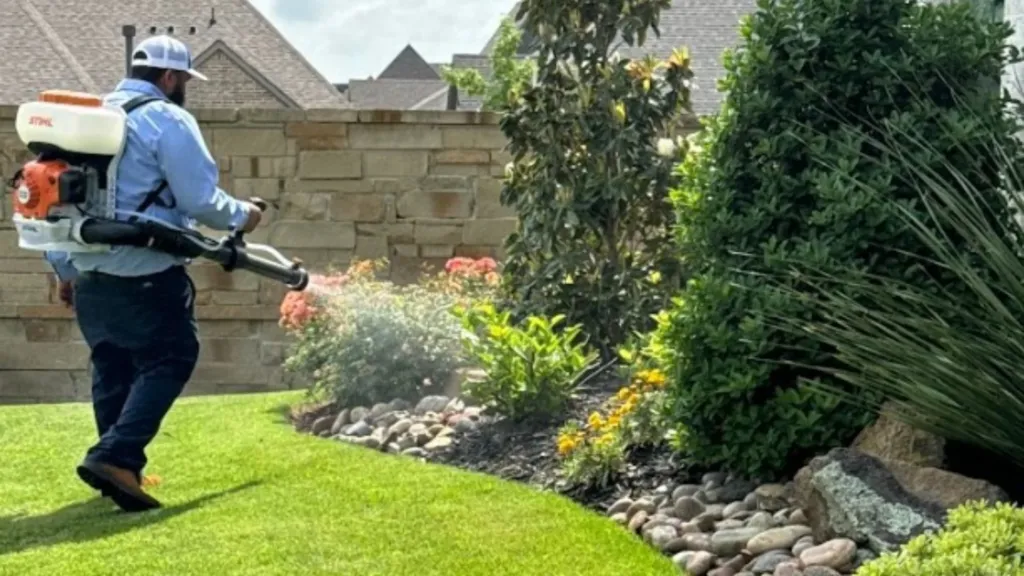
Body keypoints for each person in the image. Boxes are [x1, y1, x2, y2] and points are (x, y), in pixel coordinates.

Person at [42, 35, 263, 513]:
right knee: (172, 357)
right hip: (145, 269)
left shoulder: (87, 118)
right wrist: (244, 215)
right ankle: (116, 457)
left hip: (89, 273)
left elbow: (53, 202)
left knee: (113, 369)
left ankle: (121, 473)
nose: (184, 88)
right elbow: (200, 200)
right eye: (183, 80)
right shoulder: (166, 119)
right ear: (169, 76)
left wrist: (63, 270)